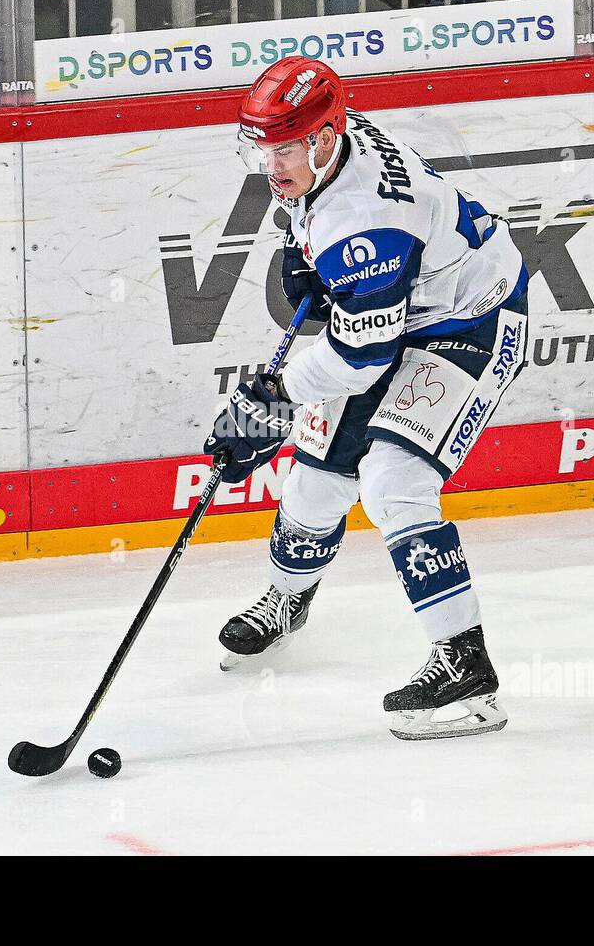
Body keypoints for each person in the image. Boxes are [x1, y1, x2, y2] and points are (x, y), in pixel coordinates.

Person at [204, 56, 530, 741]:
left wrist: (273, 400)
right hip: (406, 304)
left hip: (471, 320)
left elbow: (359, 357)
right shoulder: (334, 144)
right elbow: (322, 221)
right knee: (315, 486)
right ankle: (288, 601)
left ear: (324, 138)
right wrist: (302, 251)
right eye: (262, 149)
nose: (272, 167)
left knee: (394, 484)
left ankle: (465, 664)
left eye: (284, 149)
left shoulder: (366, 226)